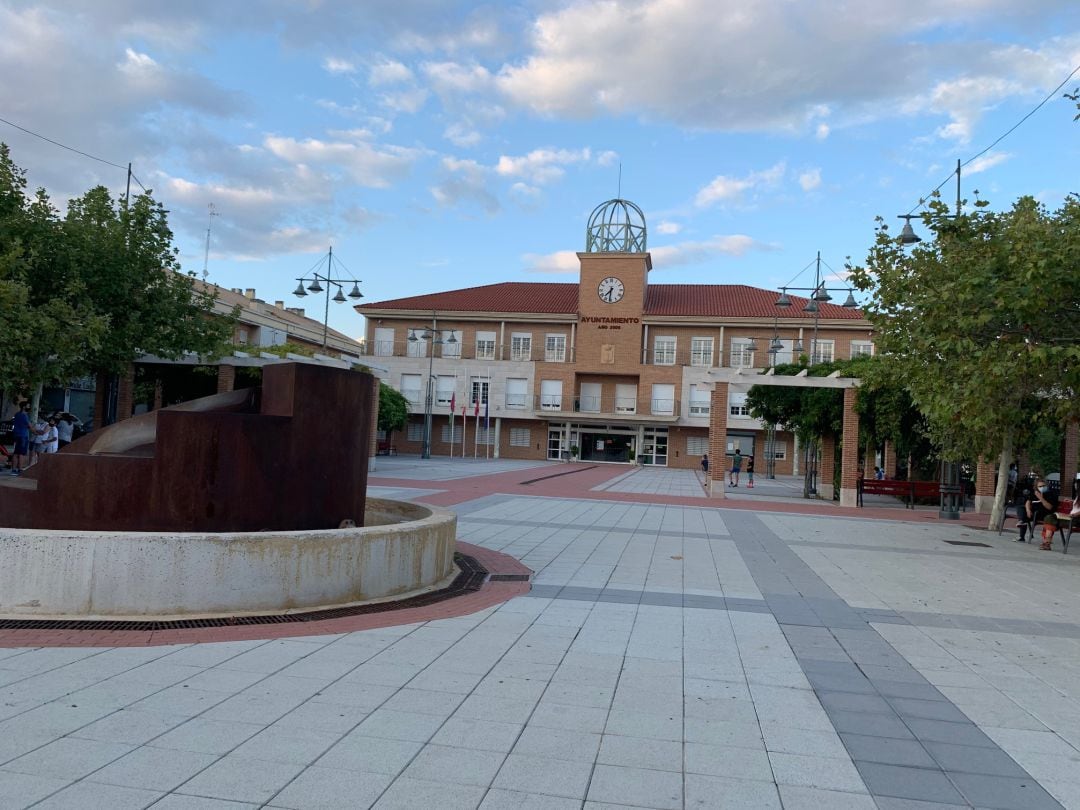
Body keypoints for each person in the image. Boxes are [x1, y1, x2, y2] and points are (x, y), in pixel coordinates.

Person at [1021, 478, 1059, 550]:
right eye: (1040, 486)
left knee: (1049, 519)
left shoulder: (1051, 494)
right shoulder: (1035, 493)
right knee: (1021, 508)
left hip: (1045, 513)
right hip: (1034, 514)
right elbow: (1028, 501)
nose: (1042, 488)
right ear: (1036, 487)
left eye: (1044, 486)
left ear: (1047, 486)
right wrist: (1028, 510)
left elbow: (1049, 507)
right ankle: (1022, 523)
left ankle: (1046, 542)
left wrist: (1041, 498)